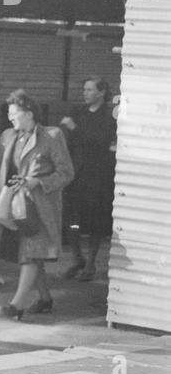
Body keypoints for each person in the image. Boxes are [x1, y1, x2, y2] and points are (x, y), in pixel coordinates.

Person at [0, 90, 75, 319]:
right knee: (31, 252)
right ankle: (45, 298)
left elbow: (66, 173)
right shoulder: (10, 137)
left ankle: (16, 305)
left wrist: (37, 181)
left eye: (14, 113)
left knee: (30, 253)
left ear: (28, 114)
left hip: (41, 207)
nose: (10, 118)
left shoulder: (52, 136)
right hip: (18, 205)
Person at [60, 77, 117, 281]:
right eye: (84, 89)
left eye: (90, 89)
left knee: (95, 221)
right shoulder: (78, 112)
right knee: (72, 219)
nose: (85, 93)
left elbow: (101, 141)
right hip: (77, 172)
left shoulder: (108, 116)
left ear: (101, 93)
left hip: (97, 174)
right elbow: (70, 142)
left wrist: (75, 128)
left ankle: (91, 263)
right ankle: (77, 258)